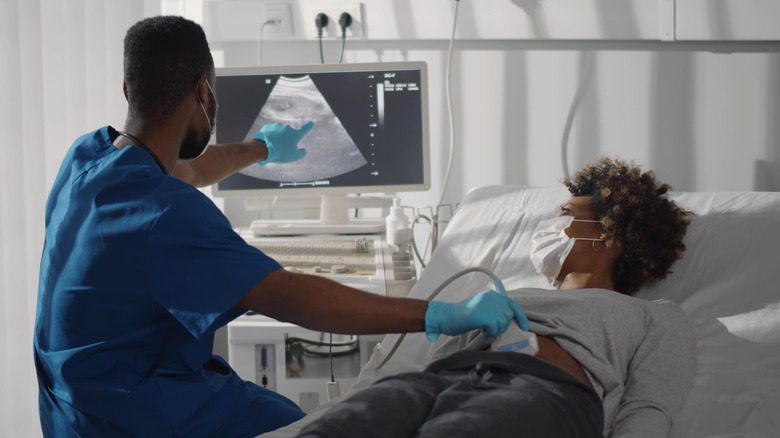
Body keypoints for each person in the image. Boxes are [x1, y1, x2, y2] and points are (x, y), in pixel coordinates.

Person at [32, 16, 529, 437]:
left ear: (127, 90)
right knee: (304, 427)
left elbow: (188, 169)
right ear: (203, 91)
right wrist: (439, 314)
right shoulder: (166, 217)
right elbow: (290, 294)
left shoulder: (89, 156)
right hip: (128, 415)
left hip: (70, 405)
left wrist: (263, 149)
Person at [297, 157, 697, 438]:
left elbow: (650, 405)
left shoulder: (652, 316)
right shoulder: (503, 296)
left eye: (565, 213)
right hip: (440, 381)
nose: (550, 225)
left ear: (608, 235)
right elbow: (440, 355)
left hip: (542, 392)